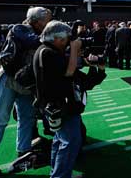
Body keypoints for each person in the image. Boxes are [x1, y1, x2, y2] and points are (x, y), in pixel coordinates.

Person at [33, 21, 106, 177]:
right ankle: (60, 175)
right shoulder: (46, 52)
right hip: (59, 106)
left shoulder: (50, 51)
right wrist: (74, 49)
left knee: (60, 141)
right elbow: (68, 74)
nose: (68, 44)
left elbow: (83, 81)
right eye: (67, 40)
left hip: (61, 105)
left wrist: (97, 66)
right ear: (58, 39)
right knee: (70, 142)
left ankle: (58, 173)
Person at [0, 7, 52, 177]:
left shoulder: (39, 33)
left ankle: (23, 154)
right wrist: (57, 36)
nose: (49, 23)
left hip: (26, 82)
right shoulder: (20, 28)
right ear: (36, 21)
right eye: (47, 20)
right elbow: (33, 41)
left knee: (27, 118)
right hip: (9, 79)